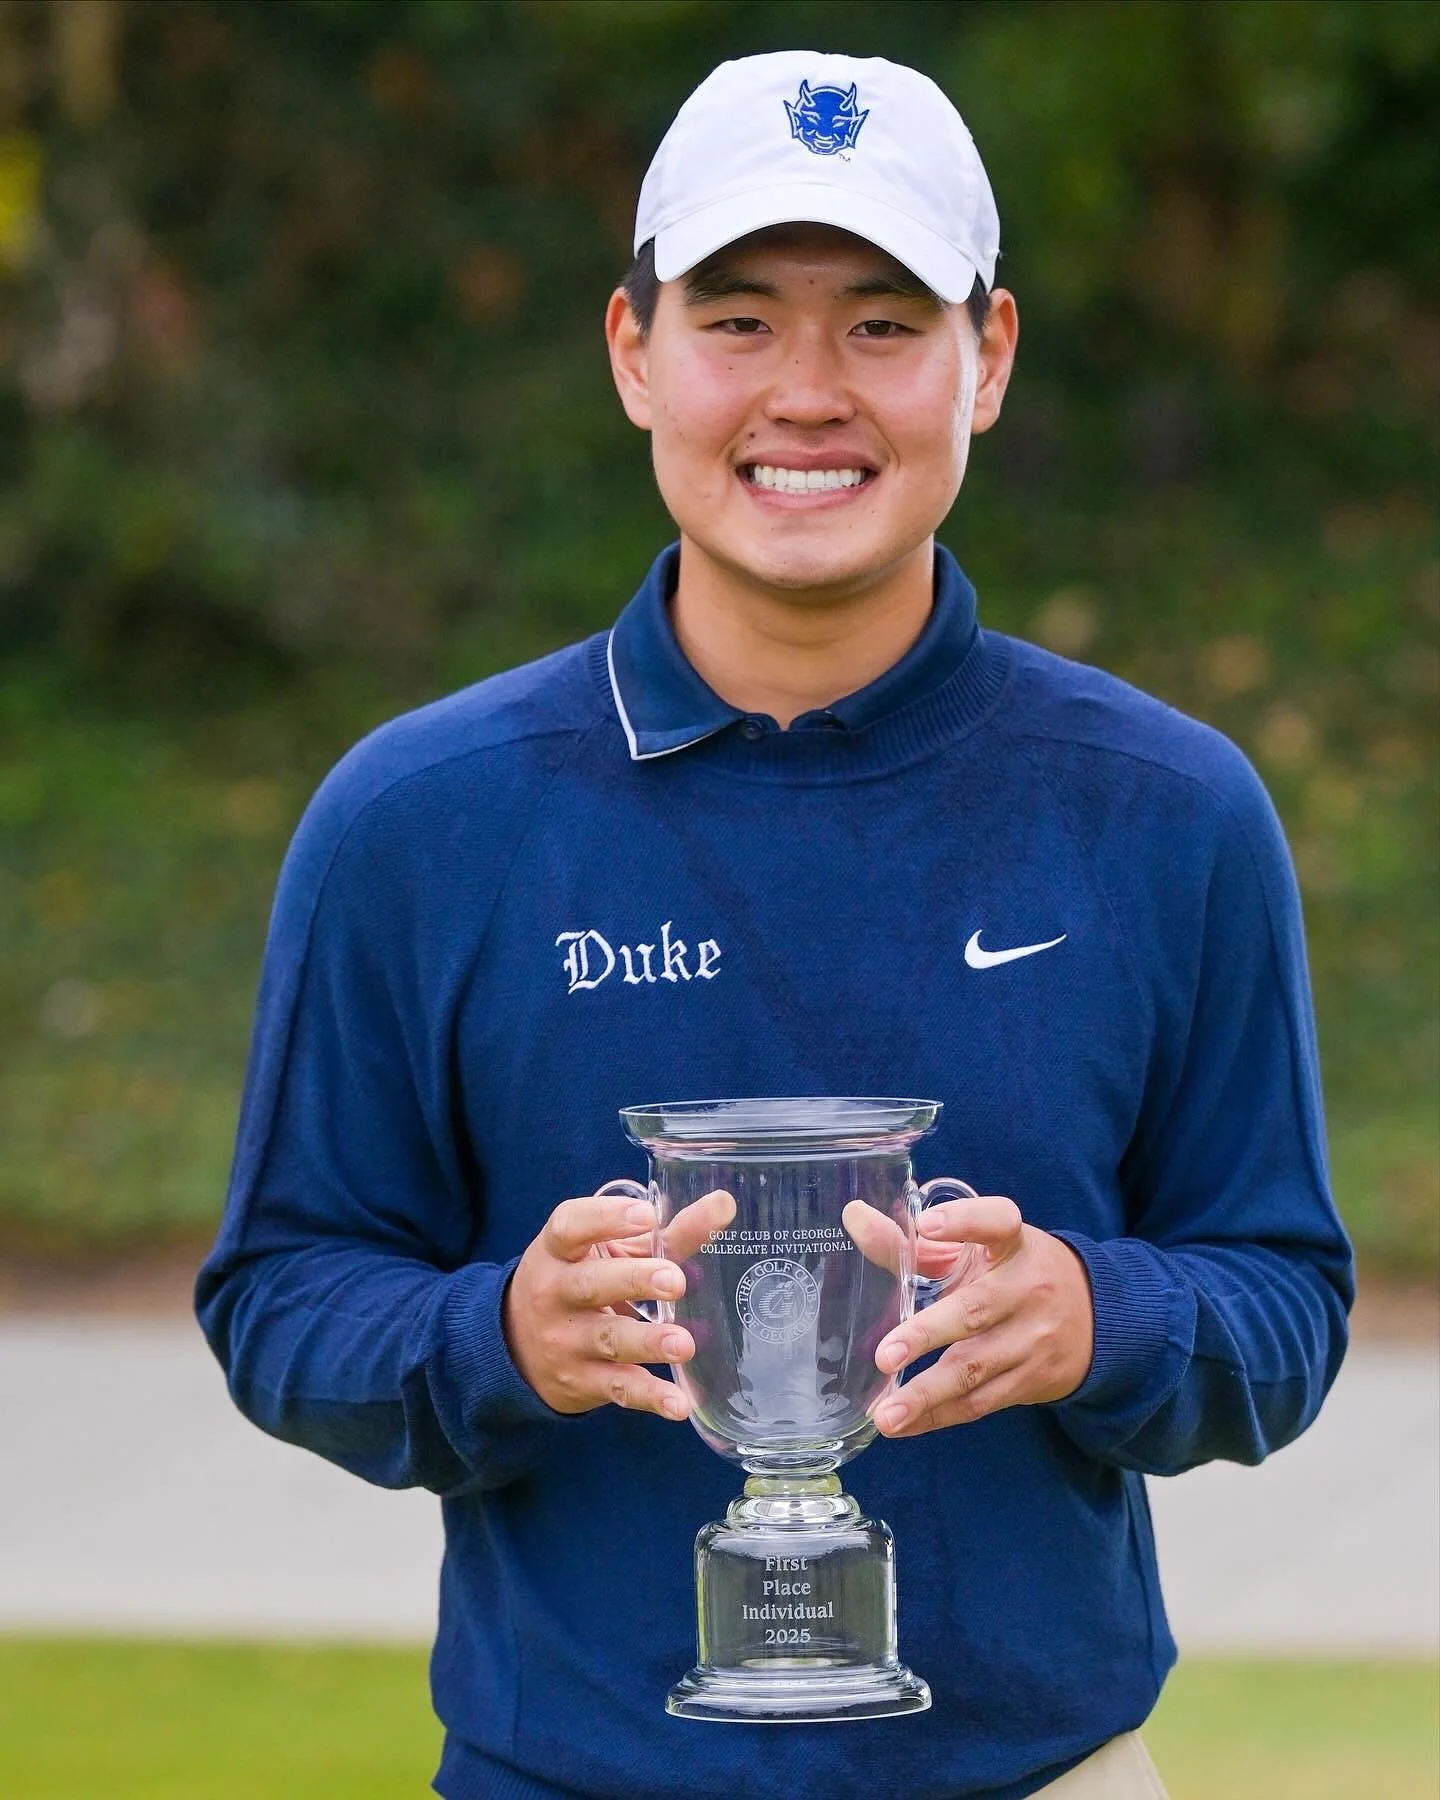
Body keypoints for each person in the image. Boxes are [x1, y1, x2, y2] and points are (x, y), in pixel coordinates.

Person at [196, 49, 1353, 1800]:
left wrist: (1098, 1320)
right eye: (739, 320)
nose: (809, 394)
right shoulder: (419, 820)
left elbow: (1283, 1305)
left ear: (994, 361)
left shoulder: (1167, 812)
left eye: (885, 325)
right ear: (630, 353)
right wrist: (499, 1338)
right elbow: (285, 1298)